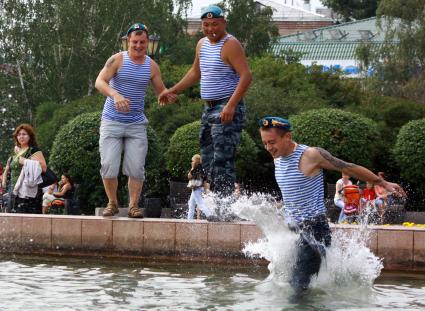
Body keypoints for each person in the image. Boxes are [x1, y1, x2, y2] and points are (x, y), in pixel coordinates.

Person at [259, 116, 406, 294]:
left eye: (272, 142)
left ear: (288, 137)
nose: (268, 148)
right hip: (294, 230)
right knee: (292, 283)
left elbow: (349, 167)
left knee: (297, 287)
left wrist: (382, 183)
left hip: (314, 230)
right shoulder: (278, 159)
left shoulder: (311, 156)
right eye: (265, 143)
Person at [159, 5, 252, 201]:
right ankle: (218, 201)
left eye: (215, 24)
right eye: (206, 25)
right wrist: (172, 90)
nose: (211, 29)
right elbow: (195, 72)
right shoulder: (202, 44)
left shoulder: (230, 44)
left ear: (223, 23)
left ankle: (225, 205)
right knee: (207, 159)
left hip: (226, 106)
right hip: (208, 108)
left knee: (222, 160)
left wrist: (231, 105)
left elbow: (246, 76)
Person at [95, 22, 175, 218]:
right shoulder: (117, 60)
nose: (139, 46)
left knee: (136, 168)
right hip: (112, 121)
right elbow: (99, 81)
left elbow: (160, 91)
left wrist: (167, 95)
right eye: (135, 42)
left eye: (142, 42)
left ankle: (133, 206)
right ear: (128, 42)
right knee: (108, 165)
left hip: (136, 124)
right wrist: (115, 95)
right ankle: (112, 203)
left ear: (147, 42)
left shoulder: (151, 66)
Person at [8, 124, 47, 213]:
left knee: (27, 218)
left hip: (28, 190)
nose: (21, 136)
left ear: (30, 136)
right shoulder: (17, 151)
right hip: (15, 189)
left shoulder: (33, 150)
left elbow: (44, 167)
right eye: (19, 134)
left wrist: (25, 161)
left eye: (24, 134)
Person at [186, 154, 213, 220]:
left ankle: (210, 215)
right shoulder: (202, 169)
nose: (191, 162)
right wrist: (205, 189)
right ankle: (189, 220)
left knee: (200, 204)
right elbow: (205, 180)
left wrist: (192, 168)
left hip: (196, 188)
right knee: (191, 205)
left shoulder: (195, 169)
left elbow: (189, 176)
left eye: (192, 161)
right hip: (199, 188)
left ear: (196, 161)